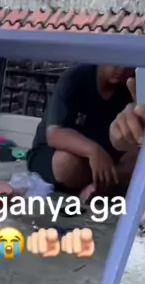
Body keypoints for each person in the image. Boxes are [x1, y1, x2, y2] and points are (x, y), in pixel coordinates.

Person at [27, 64, 138, 197]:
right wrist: (93, 150)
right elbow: (55, 134)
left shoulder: (130, 85)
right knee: (66, 163)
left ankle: (99, 185)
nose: (121, 69)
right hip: (58, 153)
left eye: (128, 65)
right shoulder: (76, 76)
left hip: (110, 160)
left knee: (139, 161)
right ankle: (102, 184)